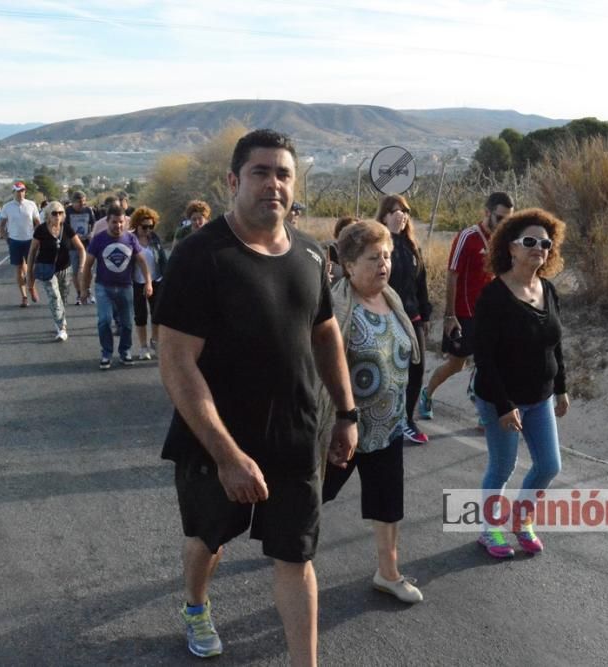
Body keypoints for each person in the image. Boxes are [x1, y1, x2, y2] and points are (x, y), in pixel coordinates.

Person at [154, 129, 357, 665]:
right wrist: (226, 455)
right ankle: (196, 605)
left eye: (284, 174)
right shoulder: (201, 257)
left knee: (297, 556)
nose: (274, 184)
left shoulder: (312, 253)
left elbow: (325, 334)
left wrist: (346, 413)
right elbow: (176, 363)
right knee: (207, 539)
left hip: (295, 436)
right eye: (260, 172)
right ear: (233, 181)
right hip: (216, 439)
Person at [316, 220, 423, 604]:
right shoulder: (334, 306)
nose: (384, 264)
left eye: (388, 256)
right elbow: (320, 367)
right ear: (348, 264)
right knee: (311, 496)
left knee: (388, 504)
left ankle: (389, 573)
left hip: (387, 427)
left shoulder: (390, 298)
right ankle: (289, 555)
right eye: (374, 257)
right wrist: (334, 422)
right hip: (344, 429)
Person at [473, 208, 570, 558]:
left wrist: (561, 386)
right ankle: (489, 531)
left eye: (545, 243)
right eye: (529, 241)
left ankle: (521, 518)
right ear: (510, 248)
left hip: (540, 397)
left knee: (548, 465)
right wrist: (503, 405)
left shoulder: (548, 288)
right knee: (502, 467)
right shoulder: (494, 296)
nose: (538, 248)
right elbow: (483, 359)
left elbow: (554, 342)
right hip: (502, 398)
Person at [420, 191, 514, 424]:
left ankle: (482, 405)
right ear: (487, 213)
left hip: (490, 314)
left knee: (491, 361)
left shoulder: (504, 239)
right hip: (465, 313)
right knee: (456, 363)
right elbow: (452, 274)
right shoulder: (468, 237)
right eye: (500, 218)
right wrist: (450, 315)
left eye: (508, 219)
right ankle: (427, 393)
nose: (504, 224)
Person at [376, 195, 432, 445]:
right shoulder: (380, 245)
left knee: (416, 369)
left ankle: (406, 419)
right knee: (386, 371)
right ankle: (383, 416)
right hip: (386, 316)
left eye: (405, 211)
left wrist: (426, 315)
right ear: (384, 215)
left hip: (412, 316)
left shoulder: (411, 246)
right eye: (395, 210)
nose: (401, 215)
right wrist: (390, 234)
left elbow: (421, 283)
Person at [84, 204, 152, 369]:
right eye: (114, 222)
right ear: (108, 222)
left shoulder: (130, 239)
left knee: (127, 323)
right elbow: (88, 265)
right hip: (103, 288)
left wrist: (148, 281)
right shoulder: (99, 239)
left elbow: (142, 261)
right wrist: (84, 289)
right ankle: (106, 353)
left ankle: (125, 352)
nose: (118, 226)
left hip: (125, 287)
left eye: (121, 222)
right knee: (105, 321)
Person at [26, 201, 86, 342]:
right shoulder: (41, 230)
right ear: (48, 215)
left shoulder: (67, 229)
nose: (57, 216)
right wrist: (30, 275)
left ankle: (59, 320)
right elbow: (32, 252)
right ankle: (61, 328)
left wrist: (81, 268)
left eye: (60, 213)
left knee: (63, 299)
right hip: (47, 269)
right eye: (54, 213)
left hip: (65, 269)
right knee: (54, 297)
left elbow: (81, 248)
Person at [128, 206, 167, 360]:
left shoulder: (154, 238)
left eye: (151, 226)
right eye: (144, 226)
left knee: (157, 315)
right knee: (140, 315)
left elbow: (163, 259)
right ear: (137, 224)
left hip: (156, 280)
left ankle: (155, 341)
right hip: (137, 282)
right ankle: (144, 347)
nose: (148, 229)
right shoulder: (130, 239)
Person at [0, 181, 41, 307]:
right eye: (17, 191)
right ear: (13, 192)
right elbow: (2, 225)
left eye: (22, 190)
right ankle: (24, 297)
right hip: (15, 241)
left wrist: (39, 238)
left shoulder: (31, 204)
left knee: (31, 268)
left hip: (29, 240)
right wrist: (7, 238)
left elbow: (37, 223)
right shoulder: (7, 207)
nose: (20, 193)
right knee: (19, 269)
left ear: (25, 191)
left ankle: (31, 287)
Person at [65, 191, 96, 305]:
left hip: (87, 243)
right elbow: (64, 227)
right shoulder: (68, 211)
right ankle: (79, 294)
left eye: (84, 201)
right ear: (73, 202)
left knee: (88, 270)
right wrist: (72, 235)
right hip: (73, 245)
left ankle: (88, 292)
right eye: (79, 202)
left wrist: (91, 233)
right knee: (76, 270)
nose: (82, 204)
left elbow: (93, 224)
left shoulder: (88, 210)